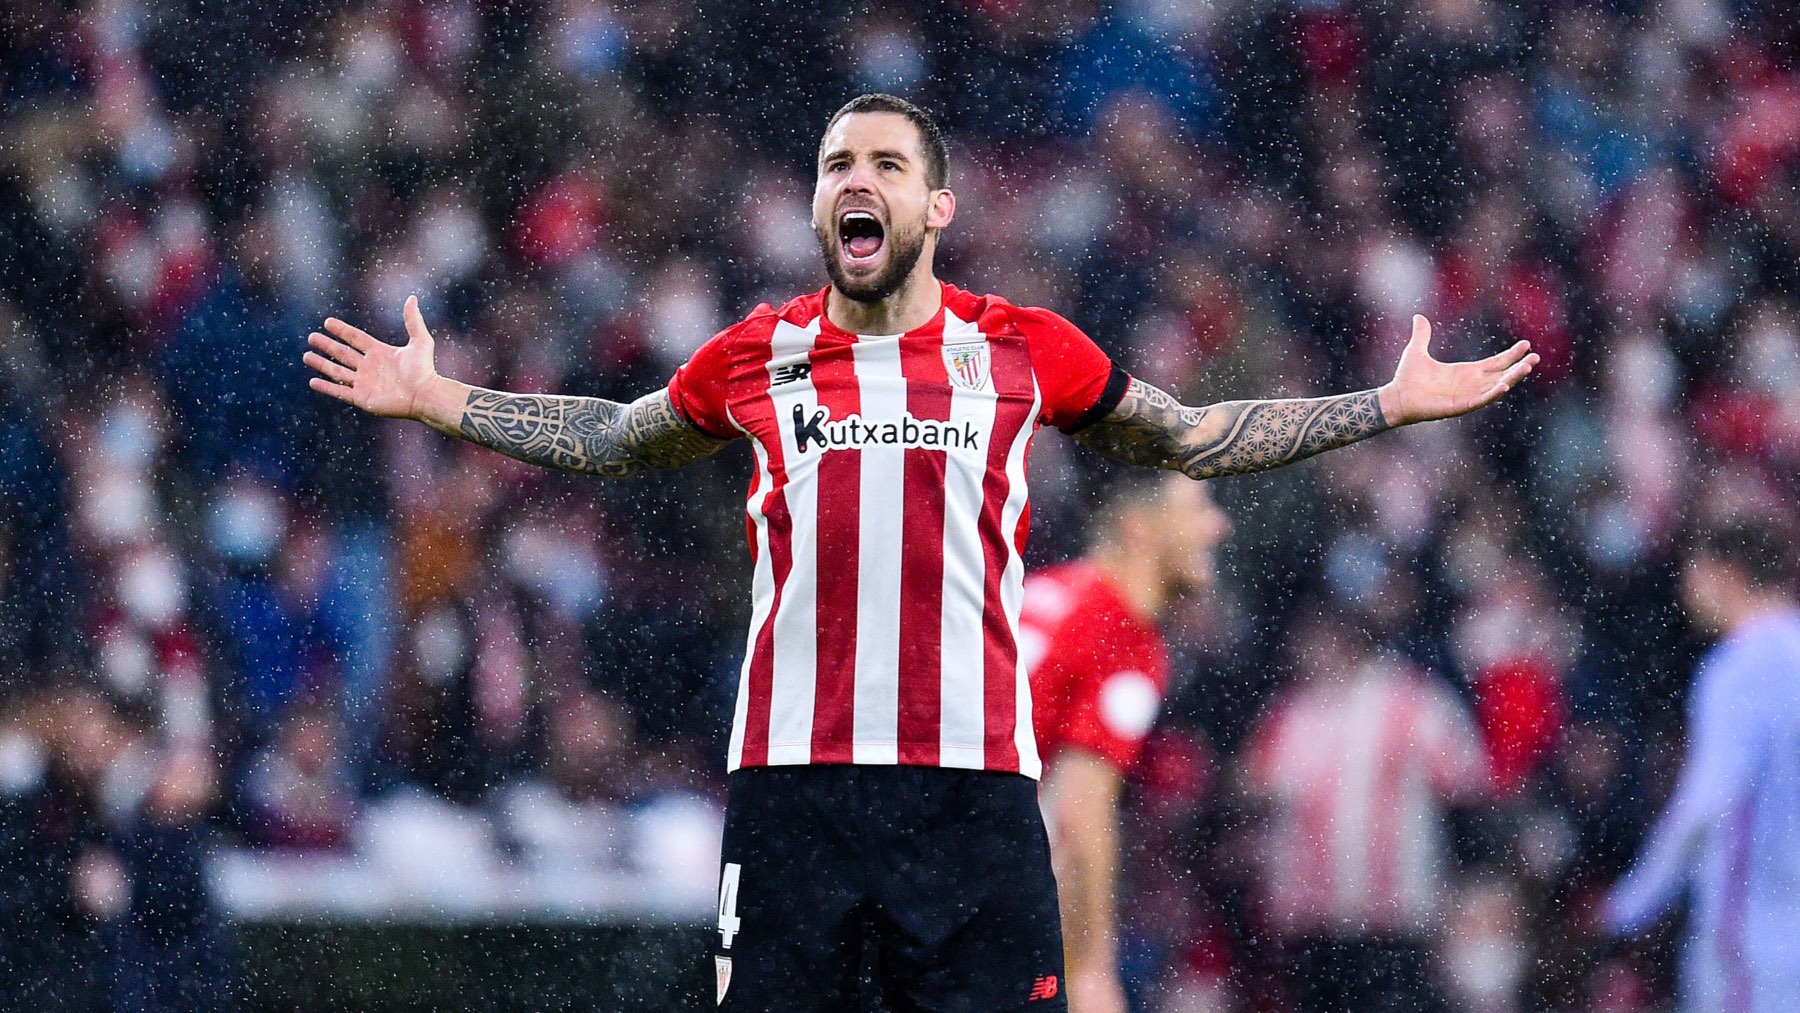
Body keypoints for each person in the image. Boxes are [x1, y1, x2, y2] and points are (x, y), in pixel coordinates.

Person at [304, 93, 1538, 1012]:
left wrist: (1386, 402)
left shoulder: (1022, 346)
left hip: (970, 791)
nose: (859, 178)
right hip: (794, 786)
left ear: (935, 206)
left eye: (887, 163)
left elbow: (1196, 436)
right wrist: (444, 400)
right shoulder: (760, 349)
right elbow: (623, 437)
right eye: (839, 162)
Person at [1019, 470, 1231, 1013]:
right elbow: (1079, 810)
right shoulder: (1124, 634)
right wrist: (1089, 971)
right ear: (1139, 527)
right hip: (962, 883)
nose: (1218, 527)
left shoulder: (1045, 590)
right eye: (1197, 510)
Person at [1241, 611, 1487, 1013]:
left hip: (1390, 914)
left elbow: (1465, 780)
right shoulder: (1296, 708)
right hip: (1312, 914)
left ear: (1345, 642)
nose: (1303, 656)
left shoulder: (1410, 699)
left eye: (1314, 642)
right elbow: (1253, 779)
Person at [1604, 514, 1800, 1012]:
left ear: (1725, 571)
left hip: (1753, 934)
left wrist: (1631, 905)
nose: (1685, 589)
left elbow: (1707, 805)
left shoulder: (1740, 668)